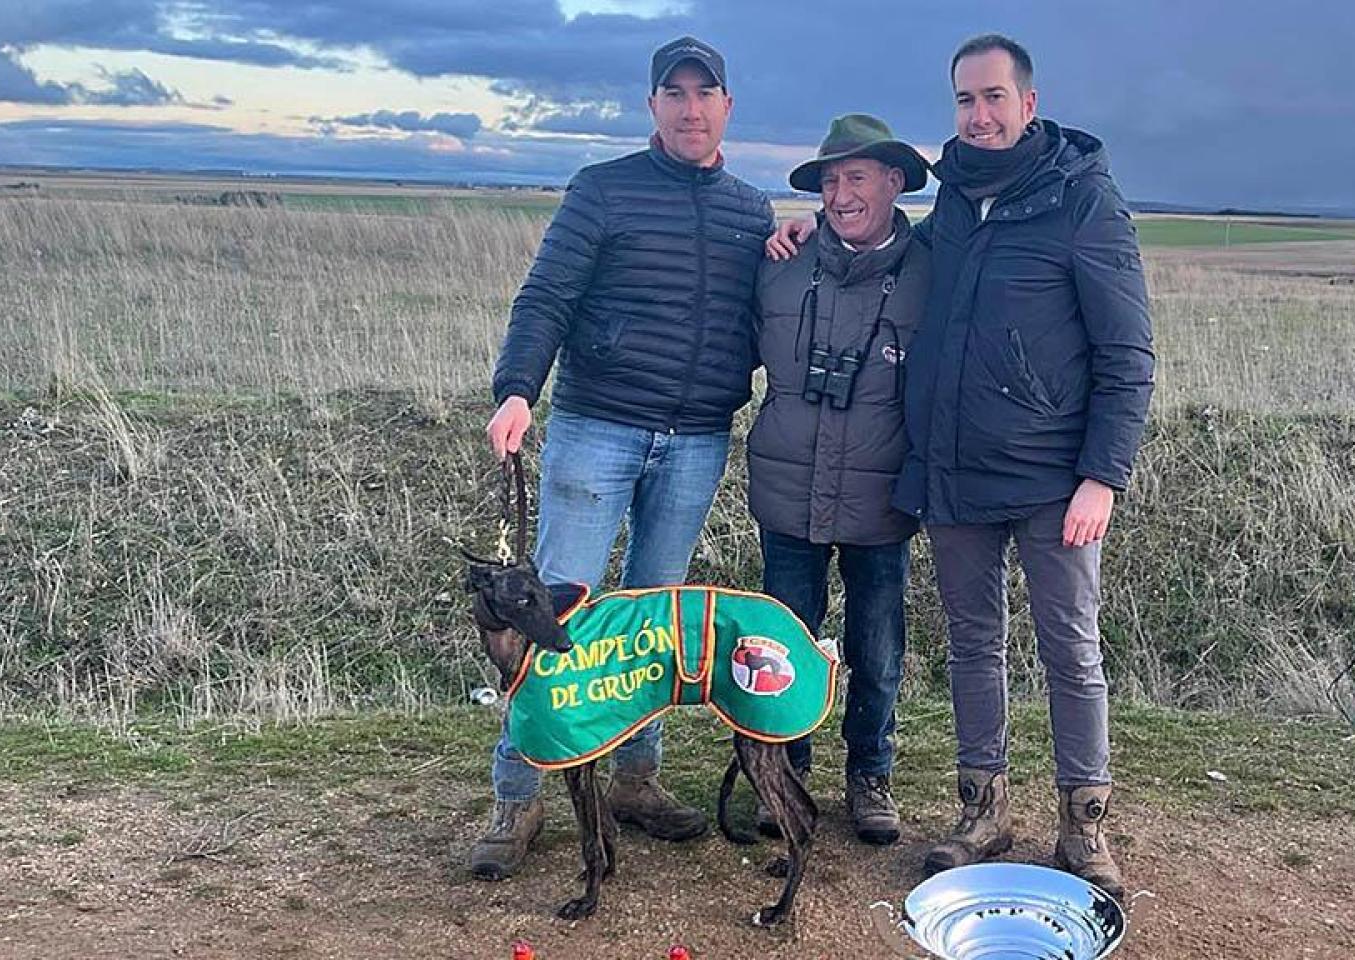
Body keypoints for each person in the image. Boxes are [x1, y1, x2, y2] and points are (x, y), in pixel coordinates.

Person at [769, 33, 1155, 896]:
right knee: (975, 648)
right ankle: (984, 810)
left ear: (1028, 101)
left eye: (993, 98)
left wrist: (1104, 474)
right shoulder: (950, 206)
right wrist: (807, 227)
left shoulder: (1082, 202)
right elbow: (879, 246)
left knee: (1071, 650)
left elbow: (1128, 353)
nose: (978, 116)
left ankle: (1084, 825)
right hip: (953, 475)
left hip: (1057, 479)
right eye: (964, 101)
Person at [472, 35, 775, 881]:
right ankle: (517, 797)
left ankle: (636, 779)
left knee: (651, 621)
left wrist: (798, 247)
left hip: (698, 440)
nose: (689, 108)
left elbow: (770, 310)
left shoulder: (752, 213)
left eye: (704, 93)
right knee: (553, 618)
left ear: (727, 106)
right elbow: (547, 296)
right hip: (596, 430)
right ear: (652, 107)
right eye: (672, 94)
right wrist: (517, 389)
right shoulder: (601, 191)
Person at [747, 114, 931, 846]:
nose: (841, 194)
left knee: (877, 648)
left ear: (894, 182)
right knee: (784, 646)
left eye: (857, 177)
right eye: (829, 181)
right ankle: (783, 774)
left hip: (883, 496)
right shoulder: (780, 260)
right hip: (788, 492)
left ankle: (870, 774)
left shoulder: (934, 271)